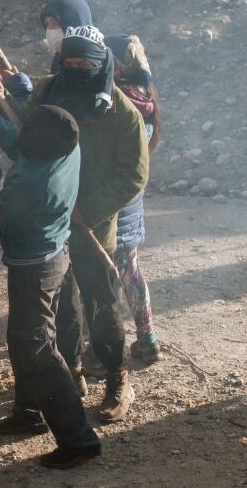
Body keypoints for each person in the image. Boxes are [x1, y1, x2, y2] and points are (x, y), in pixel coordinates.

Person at [0, 25, 149, 423]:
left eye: (85, 64)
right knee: (62, 307)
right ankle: (72, 374)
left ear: (102, 66)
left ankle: (117, 378)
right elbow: (29, 130)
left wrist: (89, 210)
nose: (76, 70)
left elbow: (133, 176)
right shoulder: (47, 90)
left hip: (93, 227)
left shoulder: (120, 111)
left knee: (101, 305)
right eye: (69, 62)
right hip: (53, 224)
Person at [0, 98, 102, 470]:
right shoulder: (67, 148)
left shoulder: (32, 179)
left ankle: (79, 440)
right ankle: (28, 410)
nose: (24, 133)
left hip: (35, 268)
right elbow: (22, 145)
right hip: (54, 253)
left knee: (37, 348)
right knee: (24, 339)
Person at [103, 34, 162, 365]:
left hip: (113, 198)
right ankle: (147, 336)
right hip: (131, 197)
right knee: (129, 267)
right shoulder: (145, 98)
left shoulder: (119, 102)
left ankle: (105, 347)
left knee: (105, 272)